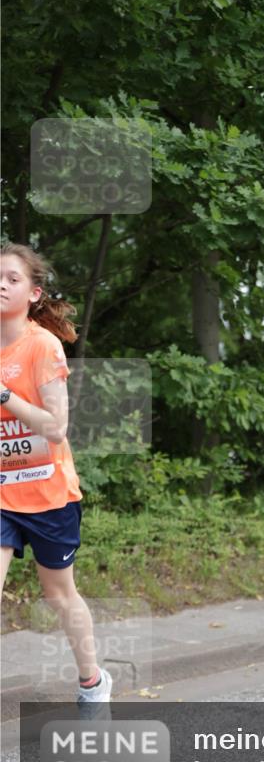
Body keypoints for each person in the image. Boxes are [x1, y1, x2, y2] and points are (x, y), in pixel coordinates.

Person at [0, 242, 112, 709]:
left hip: (49, 495)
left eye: (12, 279)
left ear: (33, 293)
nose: (1, 285)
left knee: (59, 595)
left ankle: (93, 681)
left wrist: (4, 397)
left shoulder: (41, 346)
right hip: (3, 493)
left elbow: (56, 426)